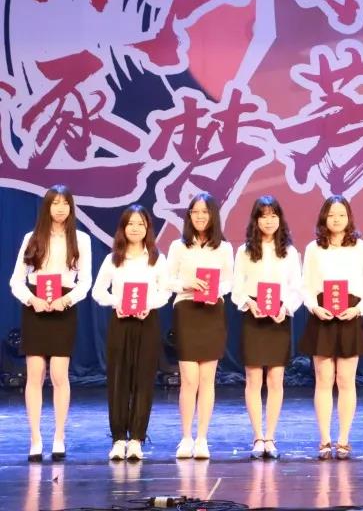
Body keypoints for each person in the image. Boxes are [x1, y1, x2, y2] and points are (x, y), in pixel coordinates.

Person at [8, 185, 92, 462]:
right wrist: (32, 300)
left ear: (71, 207)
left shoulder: (81, 239)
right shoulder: (31, 238)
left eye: (65, 203)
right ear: (47, 207)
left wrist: (65, 301)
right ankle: (35, 439)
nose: (60, 208)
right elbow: (16, 281)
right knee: (35, 375)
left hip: (63, 307)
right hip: (36, 307)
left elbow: (85, 282)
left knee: (59, 374)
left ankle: (59, 437)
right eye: (55, 203)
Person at [299, 195, 363, 460]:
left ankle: (343, 439)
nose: (336, 219)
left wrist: (358, 309)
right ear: (324, 217)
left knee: (346, 380)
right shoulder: (313, 249)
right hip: (322, 315)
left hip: (350, 315)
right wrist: (314, 307)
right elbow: (306, 286)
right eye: (331, 214)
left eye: (341, 214)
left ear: (349, 218)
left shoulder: (362, 248)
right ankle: (324, 439)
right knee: (323, 380)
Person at [91, 205, 172, 461]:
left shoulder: (157, 258)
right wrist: (117, 302)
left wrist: (149, 305)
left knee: (143, 380)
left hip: (147, 322)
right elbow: (98, 291)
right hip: (121, 323)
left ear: (147, 228)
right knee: (118, 380)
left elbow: (165, 291)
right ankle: (118, 439)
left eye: (140, 224)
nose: (135, 228)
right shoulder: (113, 258)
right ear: (123, 228)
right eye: (130, 224)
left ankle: (136, 438)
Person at [232, 195, 303, 459]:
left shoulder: (290, 252)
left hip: (278, 318)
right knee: (253, 379)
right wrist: (249, 303)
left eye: (273, 216)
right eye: (263, 216)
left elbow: (297, 288)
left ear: (280, 219)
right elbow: (236, 287)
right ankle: (257, 436)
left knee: (275, 379)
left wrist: (285, 309)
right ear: (256, 220)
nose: (269, 221)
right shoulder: (244, 251)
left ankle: (270, 436)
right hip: (253, 316)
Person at [166, 192, 234, 460]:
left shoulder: (224, 248)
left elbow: (230, 281)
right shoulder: (178, 246)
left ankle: (202, 438)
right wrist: (187, 284)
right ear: (189, 215)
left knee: (207, 379)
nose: (200, 216)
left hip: (212, 312)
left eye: (205, 212)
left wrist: (216, 290)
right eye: (195, 212)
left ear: (213, 215)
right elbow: (166, 280)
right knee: (189, 379)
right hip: (187, 310)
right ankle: (186, 437)